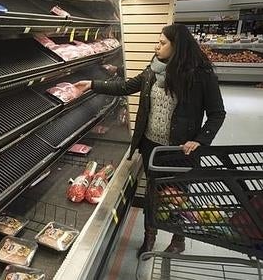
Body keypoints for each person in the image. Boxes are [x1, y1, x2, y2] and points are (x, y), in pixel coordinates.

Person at [73, 24, 226, 258]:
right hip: (151, 146)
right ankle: (149, 238)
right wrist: (93, 84)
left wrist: (200, 141)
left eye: (163, 43)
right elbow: (126, 86)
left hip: (180, 151)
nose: (157, 46)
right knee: (153, 195)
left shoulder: (201, 76)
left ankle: (178, 239)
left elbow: (217, 113)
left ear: (178, 48)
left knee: (177, 198)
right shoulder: (154, 70)